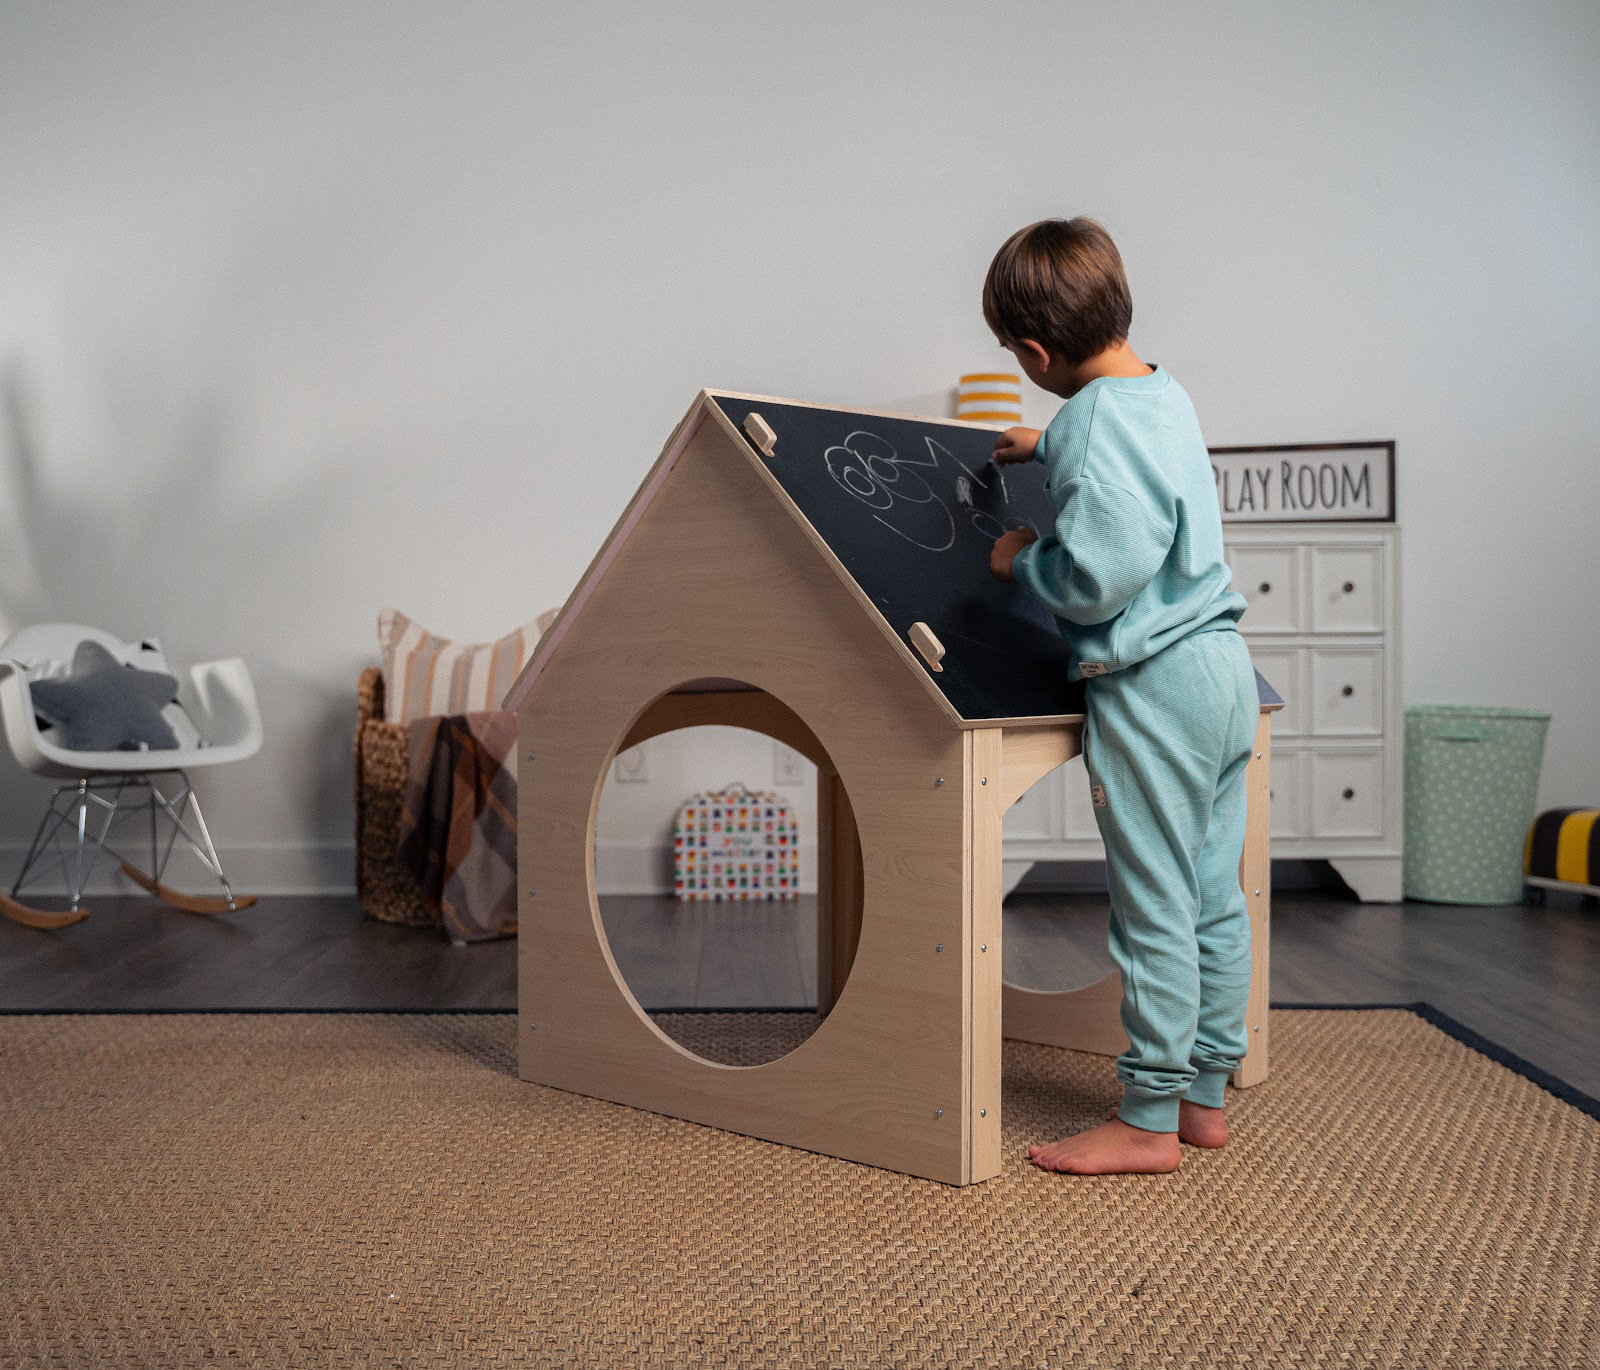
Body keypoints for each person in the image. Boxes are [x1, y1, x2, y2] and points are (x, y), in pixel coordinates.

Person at [984, 217, 1256, 1174]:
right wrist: (1052, 441)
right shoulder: (1160, 395)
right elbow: (1130, 466)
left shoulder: (1090, 425)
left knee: (1152, 905)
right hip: (1221, 668)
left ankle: (1144, 1122)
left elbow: (1101, 571)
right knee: (1211, 894)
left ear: (1032, 351)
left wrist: (1027, 561)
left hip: (1156, 687)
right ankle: (1203, 1097)